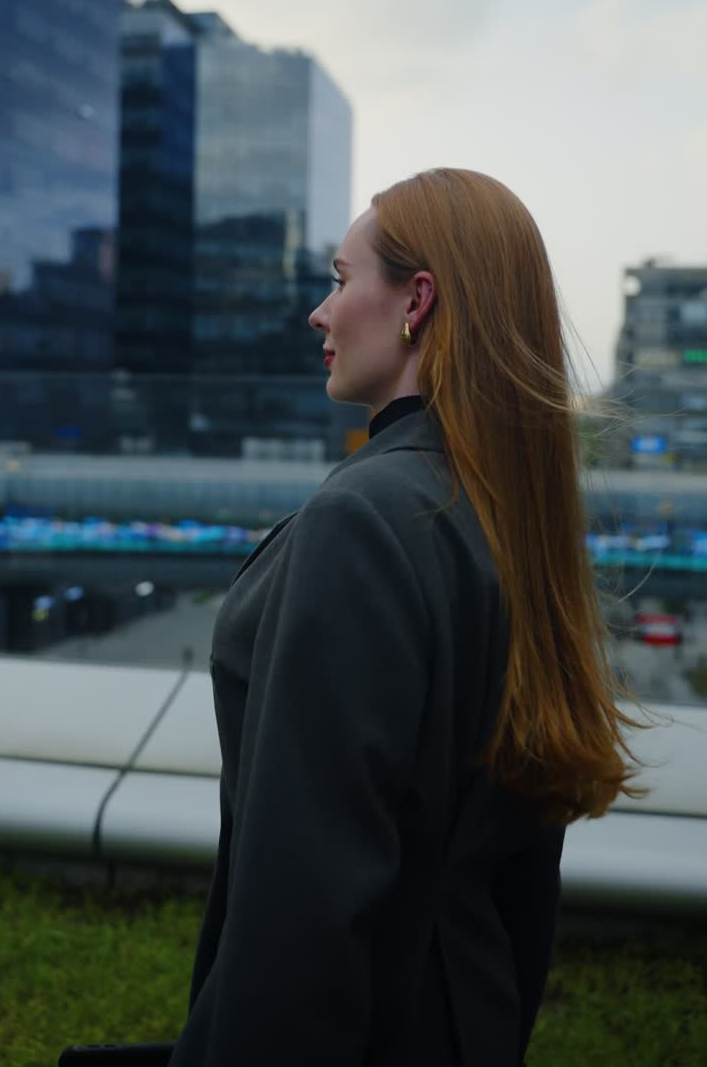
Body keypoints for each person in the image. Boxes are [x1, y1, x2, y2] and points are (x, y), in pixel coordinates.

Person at [168, 167, 641, 1067]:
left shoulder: (364, 519)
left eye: (342, 280)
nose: (321, 311)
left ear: (417, 300)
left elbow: (301, 903)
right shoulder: (513, 516)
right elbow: (525, 888)